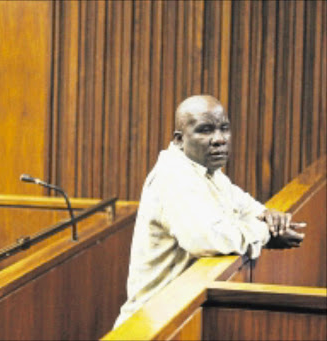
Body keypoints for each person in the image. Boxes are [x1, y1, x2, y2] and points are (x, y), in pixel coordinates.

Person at [113, 94, 305, 328]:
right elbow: (209, 240)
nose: (219, 140)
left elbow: (247, 206)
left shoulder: (205, 171)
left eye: (224, 128)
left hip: (175, 315)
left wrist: (270, 215)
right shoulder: (174, 177)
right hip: (150, 323)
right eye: (205, 130)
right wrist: (266, 233)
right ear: (179, 139)